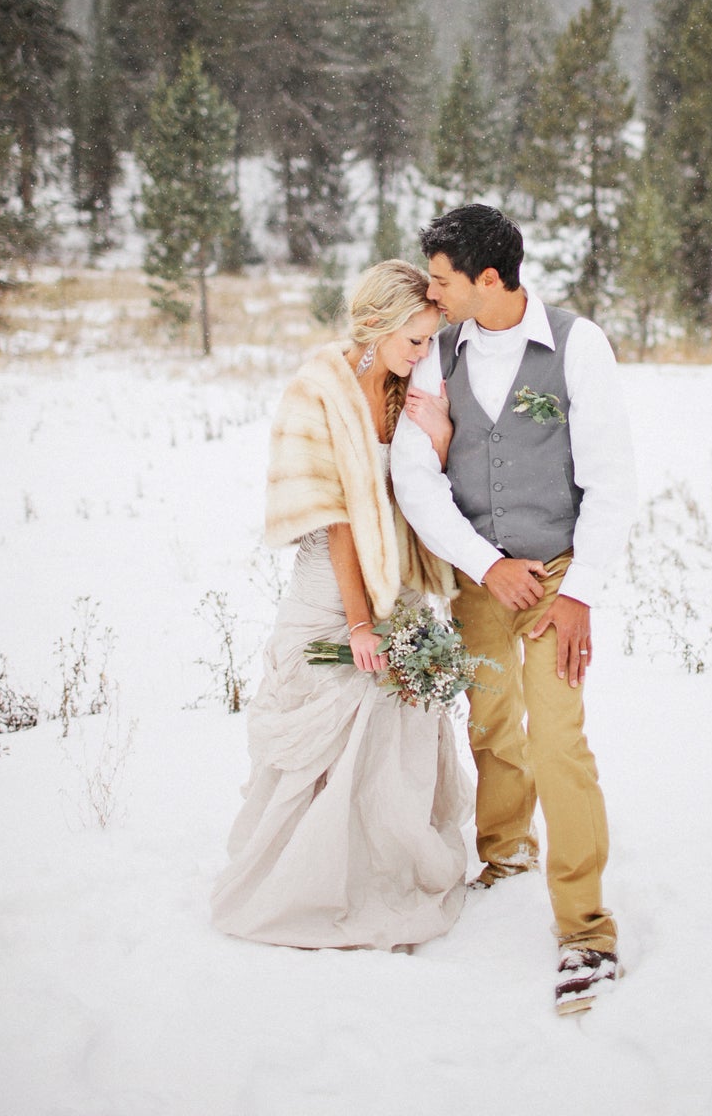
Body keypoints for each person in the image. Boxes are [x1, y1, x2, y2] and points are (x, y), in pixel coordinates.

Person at [390, 206, 636, 1013]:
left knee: (558, 737)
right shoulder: (442, 347)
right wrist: (485, 565)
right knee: (490, 721)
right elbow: (414, 474)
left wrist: (581, 593)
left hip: (558, 577)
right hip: (481, 581)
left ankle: (586, 929)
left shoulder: (577, 345)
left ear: (487, 279)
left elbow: (611, 479)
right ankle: (504, 858)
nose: (432, 291)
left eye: (442, 279)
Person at [212, 260, 471, 950]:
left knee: (397, 726)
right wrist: (360, 622)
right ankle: (302, 883)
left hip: (402, 572)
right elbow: (338, 523)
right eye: (414, 339)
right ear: (375, 324)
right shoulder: (319, 392)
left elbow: (418, 492)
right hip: (334, 582)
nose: (424, 353)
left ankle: (387, 867)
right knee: (327, 713)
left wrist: (440, 438)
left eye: (430, 339)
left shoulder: (410, 390)